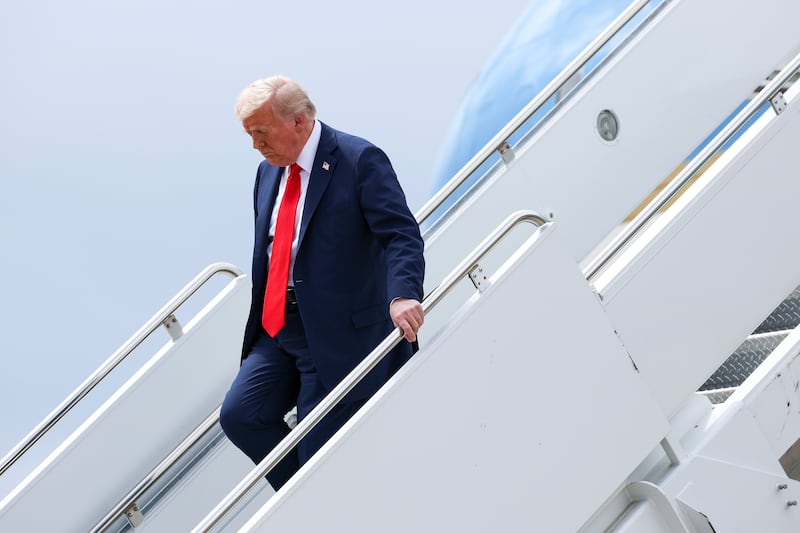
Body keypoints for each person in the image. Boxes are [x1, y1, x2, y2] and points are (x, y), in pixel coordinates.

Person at [220, 75, 425, 491]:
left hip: (336, 332)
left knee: (318, 451)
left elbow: (400, 234)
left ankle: (319, 503)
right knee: (241, 415)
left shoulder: (358, 159)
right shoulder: (266, 174)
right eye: (249, 135)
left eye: (261, 132)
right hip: (278, 328)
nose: (256, 145)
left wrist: (402, 294)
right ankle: (315, 500)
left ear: (298, 121)